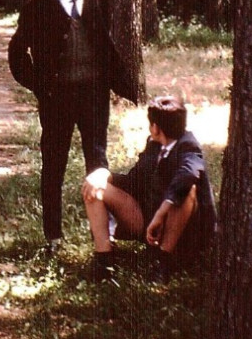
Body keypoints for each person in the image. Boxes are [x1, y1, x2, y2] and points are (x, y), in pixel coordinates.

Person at [8, 0, 138, 254]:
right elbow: (17, 55)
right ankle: (53, 238)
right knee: (54, 166)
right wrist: (40, 87)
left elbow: (106, 50)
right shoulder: (37, 10)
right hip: (56, 101)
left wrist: (119, 85)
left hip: (94, 99)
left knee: (98, 167)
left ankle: (104, 241)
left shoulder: (100, 6)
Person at [81, 94, 217, 282]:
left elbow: (188, 176)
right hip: (150, 223)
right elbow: (133, 181)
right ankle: (104, 261)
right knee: (95, 186)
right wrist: (105, 175)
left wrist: (162, 213)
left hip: (187, 234)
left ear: (155, 127)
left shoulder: (189, 146)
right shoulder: (154, 145)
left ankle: (163, 261)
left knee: (186, 191)